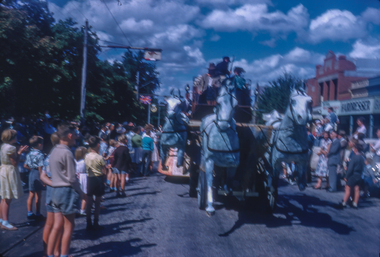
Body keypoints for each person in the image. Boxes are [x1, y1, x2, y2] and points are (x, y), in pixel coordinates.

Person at [47, 123, 82, 257]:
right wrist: (81, 192)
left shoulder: (53, 151)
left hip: (54, 190)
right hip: (66, 191)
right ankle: (64, 254)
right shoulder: (67, 153)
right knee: (69, 226)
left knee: (57, 226)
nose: (75, 138)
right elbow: (72, 178)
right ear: (69, 135)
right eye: (74, 135)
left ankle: (49, 254)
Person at [0, 129, 28, 230]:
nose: (17, 138)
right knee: (8, 198)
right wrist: (20, 152)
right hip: (9, 172)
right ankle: (6, 222)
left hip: (3, 170)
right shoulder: (11, 148)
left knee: (4, 197)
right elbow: (15, 163)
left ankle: (2, 220)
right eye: (15, 136)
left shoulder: (3, 146)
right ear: (11, 138)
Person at [40, 132, 61, 257]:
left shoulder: (48, 156)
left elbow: (43, 175)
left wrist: (52, 184)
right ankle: (57, 252)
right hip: (59, 191)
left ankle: (46, 252)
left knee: (49, 223)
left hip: (50, 191)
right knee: (59, 224)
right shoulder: (61, 155)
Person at [85, 136, 106, 230]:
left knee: (89, 202)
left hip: (89, 178)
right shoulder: (99, 157)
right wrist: (105, 181)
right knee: (97, 202)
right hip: (98, 178)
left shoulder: (86, 156)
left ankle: (88, 222)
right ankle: (96, 222)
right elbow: (104, 170)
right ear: (98, 145)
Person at [24, 135, 45, 220]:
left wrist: (31, 169)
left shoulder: (29, 154)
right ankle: (38, 213)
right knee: (38, 195)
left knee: (31, 194)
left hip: (31, 173)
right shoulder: (40, 154)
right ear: (39, 145)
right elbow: (40, 167)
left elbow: (25, 165)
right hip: (37, 173)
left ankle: (29, 213)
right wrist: (42, 178)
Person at [340, 139, 364, 209]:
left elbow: (350, 168)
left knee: (347, 188)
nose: (353, 150)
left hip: (353, 175)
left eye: (354, 149)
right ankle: (355, 203)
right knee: (357, 189)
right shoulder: (362, 158)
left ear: (356, 149)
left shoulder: (354, 157)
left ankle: (344, 202)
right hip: (359, 175)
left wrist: (346, 176)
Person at [75, 147, 88, 216]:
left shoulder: (75, 161)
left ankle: (77, 209)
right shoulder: (84, 161)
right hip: (84, 176)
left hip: (77, 176)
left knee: (78, 194)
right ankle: (82, 210)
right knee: (85, 195)